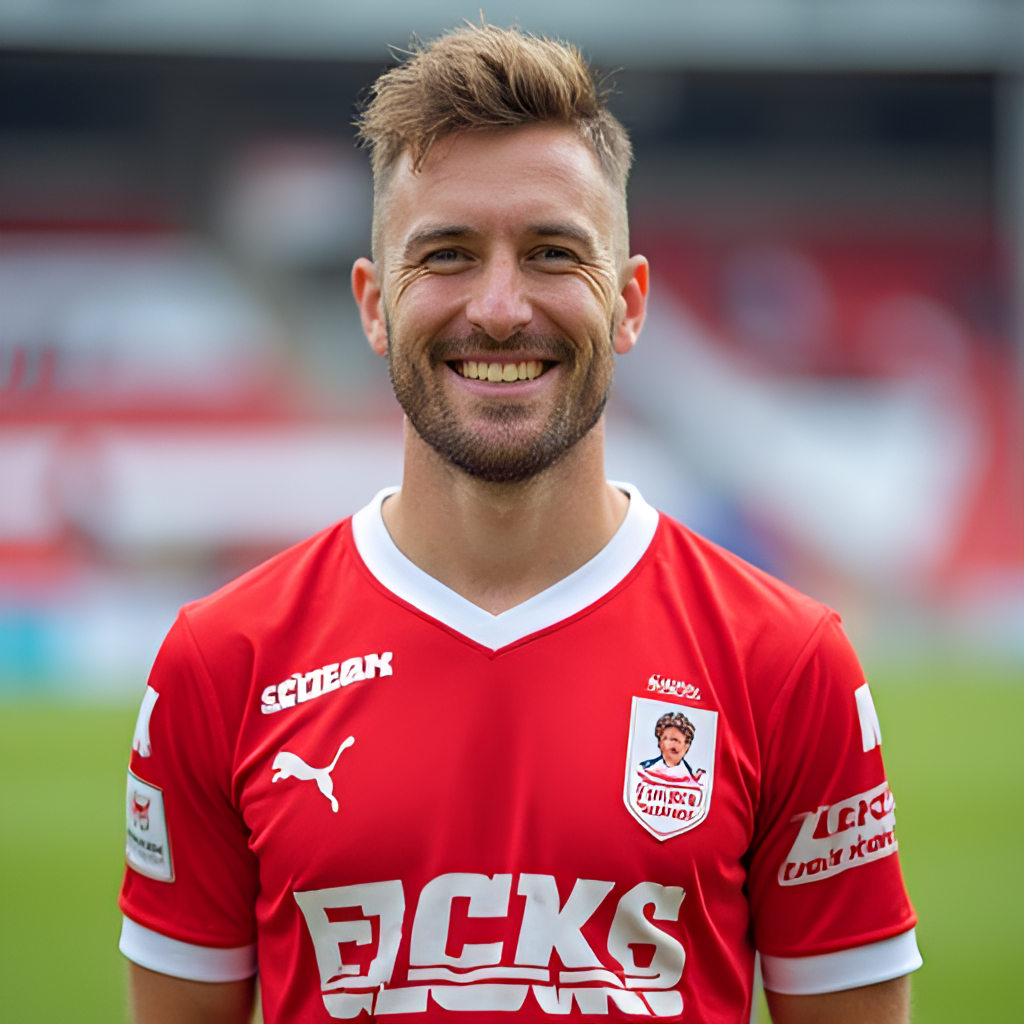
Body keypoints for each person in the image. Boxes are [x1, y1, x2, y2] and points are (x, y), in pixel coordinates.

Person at [119, 24, 921, 1024]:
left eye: (552, 253)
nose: (499, 308)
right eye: (447, 254)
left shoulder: (787, 663)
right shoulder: (220, 661)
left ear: (628, 304)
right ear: (373, 306)